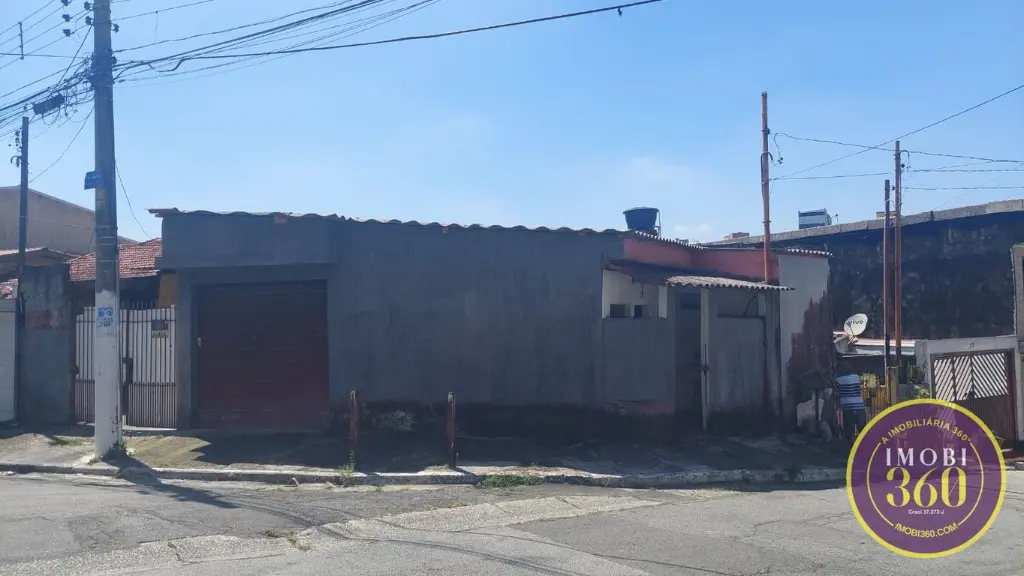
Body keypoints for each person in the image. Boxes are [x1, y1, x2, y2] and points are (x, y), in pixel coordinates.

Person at [833, 361, 866, 441]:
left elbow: (834, 390)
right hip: (859, 406)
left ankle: (851, 445)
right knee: (863, 430)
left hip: (847, 407)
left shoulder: (838, 380)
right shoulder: (856, 377)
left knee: (849, 431)